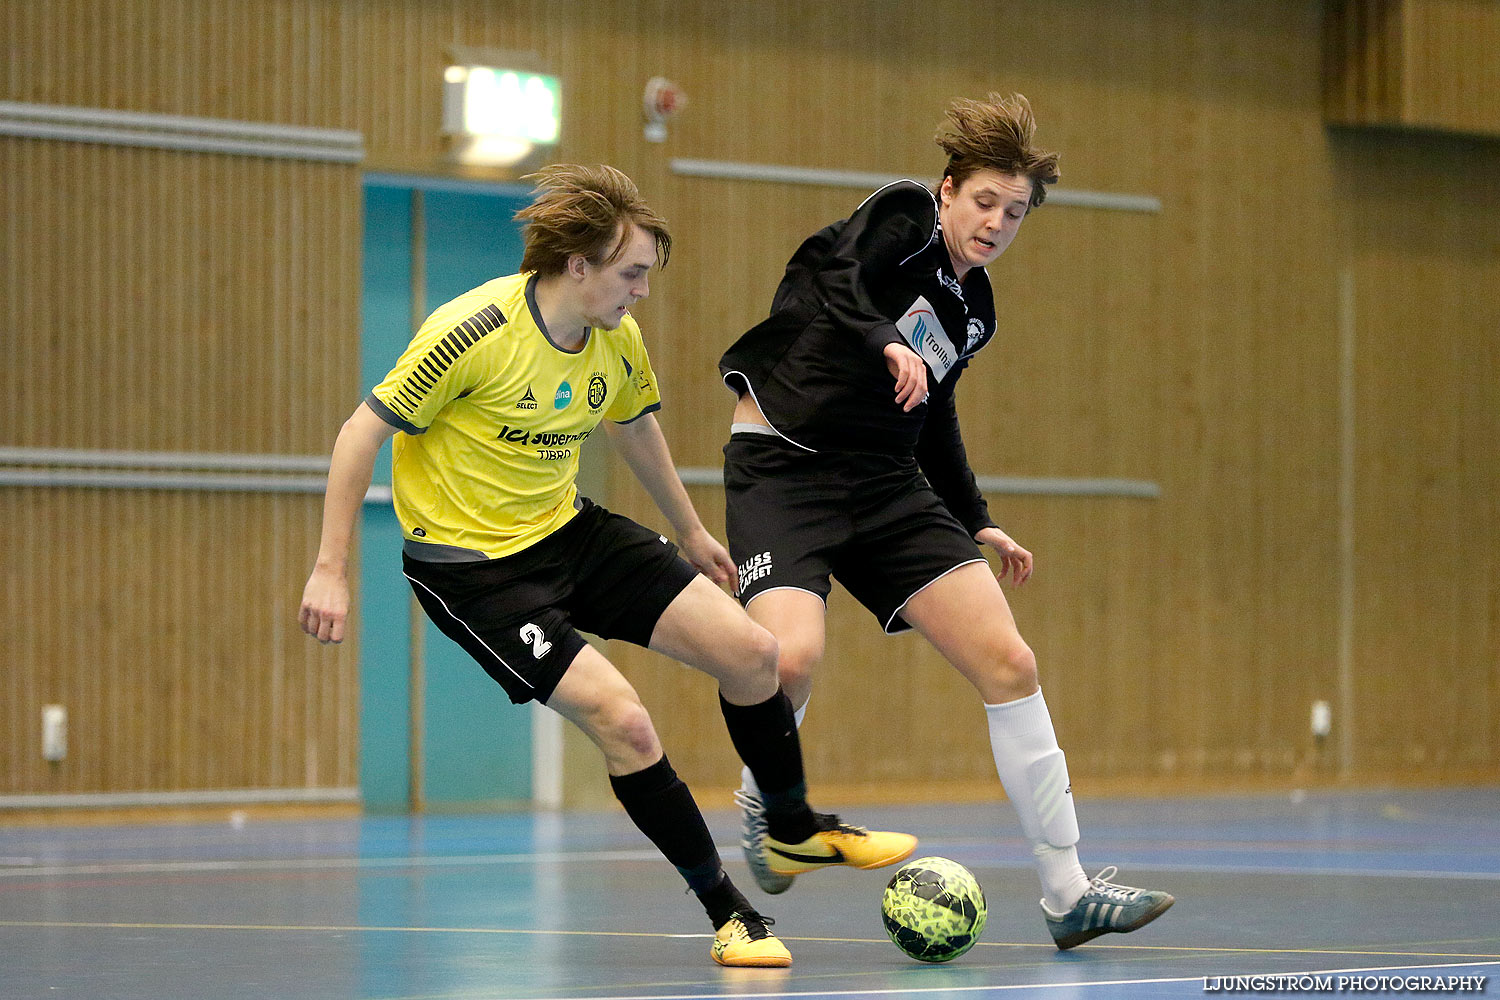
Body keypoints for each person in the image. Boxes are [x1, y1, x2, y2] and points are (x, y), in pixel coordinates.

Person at [298, 164, 916, 968]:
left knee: (755, 652)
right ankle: (728, 912)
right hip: (474, 570)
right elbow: (360, 433)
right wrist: (330, 568)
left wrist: (690, 532)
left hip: (568, 533)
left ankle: (792, 828)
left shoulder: (615, 336)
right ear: (577, 266)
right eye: (632, 274)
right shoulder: (472, 331)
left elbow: (634, 427)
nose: (643, 293)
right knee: (624, 720)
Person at [718, 95, 1173, 950]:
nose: (998, 222)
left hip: (886, 482)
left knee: (1011, 661)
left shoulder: (976, 310)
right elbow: (831, 277)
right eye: (985, 202)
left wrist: (978, 520)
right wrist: (887, 339)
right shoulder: (902, 218)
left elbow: (937, 417)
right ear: (948, 190)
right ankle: (766, 804)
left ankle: (1069, 894)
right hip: (785, 462)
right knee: (789, 658)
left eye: (1017, 212)